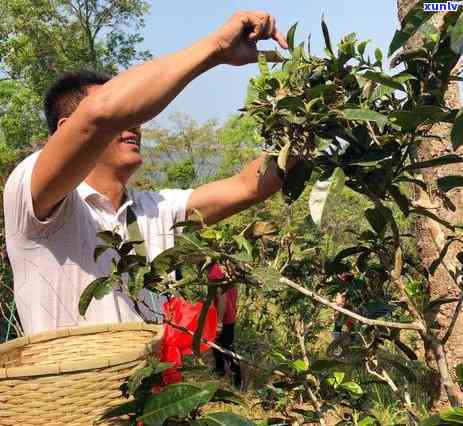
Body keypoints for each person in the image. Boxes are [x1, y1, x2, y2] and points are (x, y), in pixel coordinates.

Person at [4, 11, 289, 336]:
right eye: (123, 116)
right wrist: (216, 48)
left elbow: (246, 187)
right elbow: (100, 113)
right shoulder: (34, 194)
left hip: (147, 383)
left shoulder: (153, 210)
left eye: (134, 115)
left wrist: (305, 123)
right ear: (67, 131)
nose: (135, 124)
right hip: (73, 386)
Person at [208, 263, 241, 388]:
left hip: (223, 318)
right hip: (229, 315)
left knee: (227, 349)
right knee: (217, 346)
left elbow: (222, 298)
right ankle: (220, 371)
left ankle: (237, 381)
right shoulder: (225, 268)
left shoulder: (215, 272)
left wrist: (219, 322)